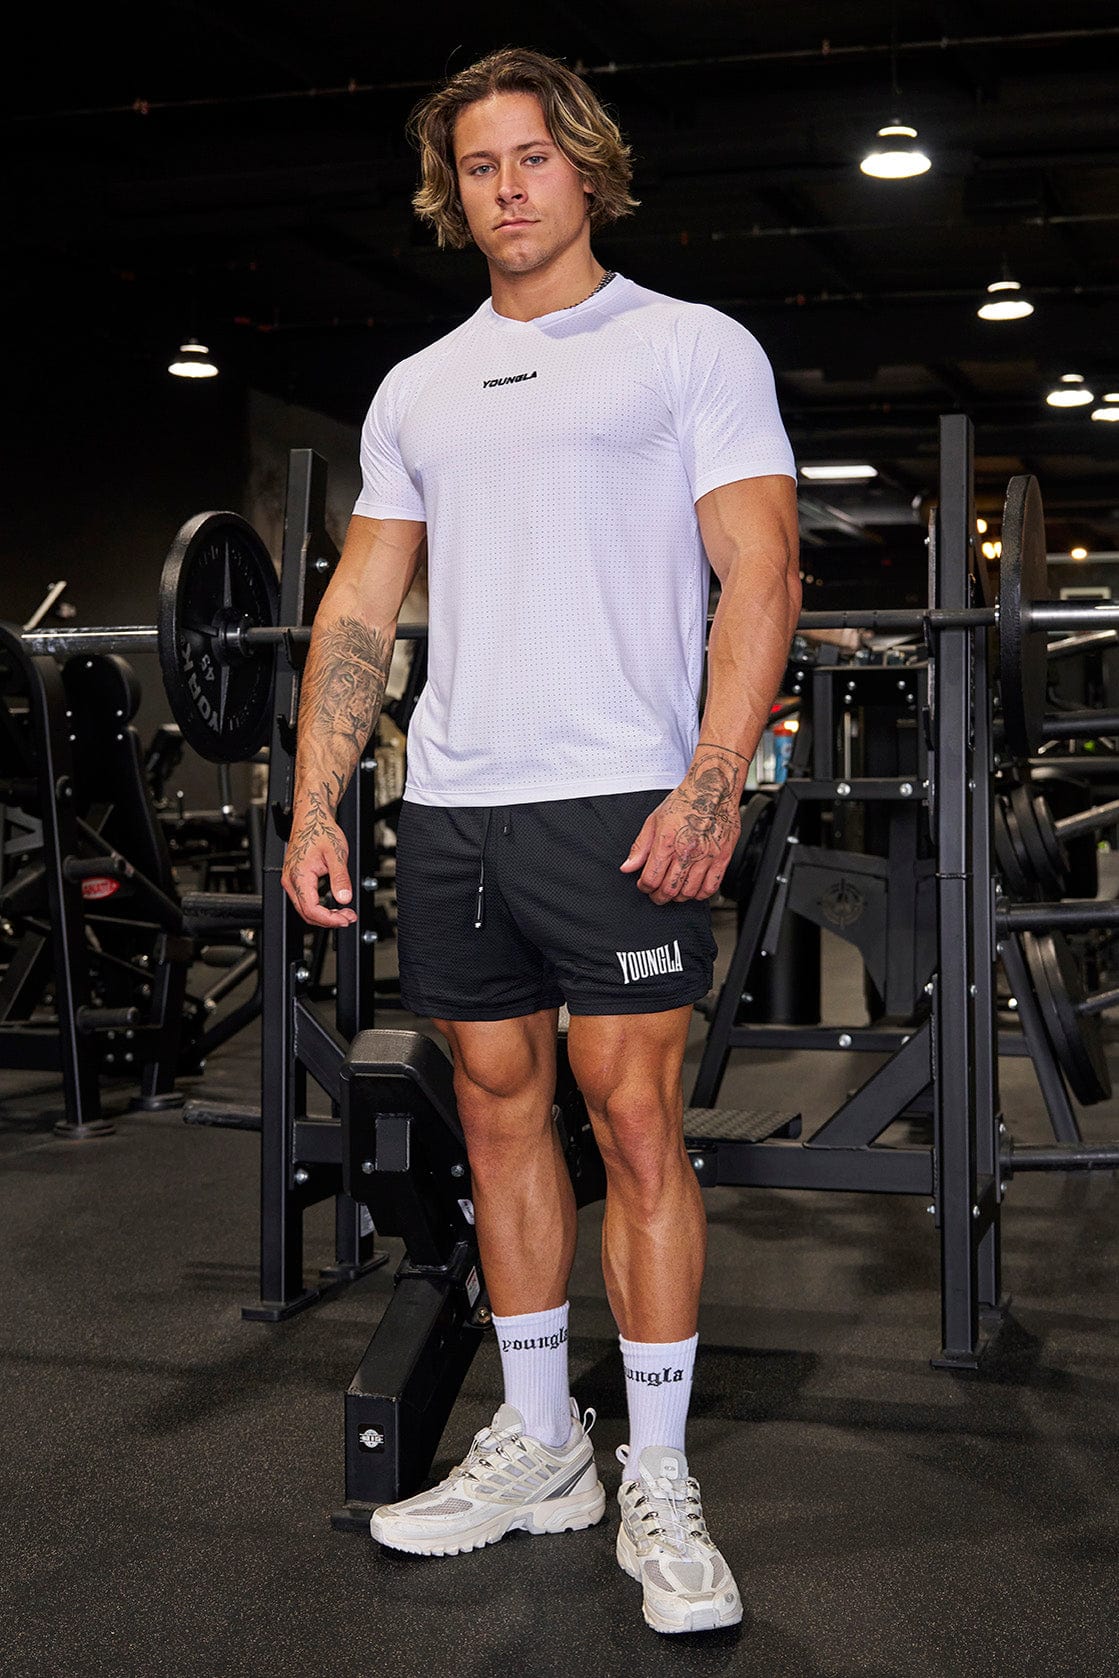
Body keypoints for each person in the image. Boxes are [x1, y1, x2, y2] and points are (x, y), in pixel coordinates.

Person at [281, 46, 799, 1637]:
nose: (507, 188)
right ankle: (543, 1442)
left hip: (618, 797)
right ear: (454, 193)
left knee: (633, 1122)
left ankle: (661, 1470)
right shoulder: (418, 387)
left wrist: (712, 779)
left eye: (532, 157)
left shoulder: (687, 347)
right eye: (479, 166)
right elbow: (361, 602)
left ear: (586, 164)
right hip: (455, 805)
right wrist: (317, 793)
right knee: (497, 1116)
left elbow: (761, 571)